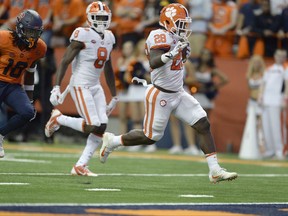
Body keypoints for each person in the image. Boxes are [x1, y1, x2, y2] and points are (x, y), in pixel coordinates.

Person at [99, 3, 238, 183]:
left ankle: (215, 170)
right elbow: (154, 62)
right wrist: (173, 53)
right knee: (151, 137)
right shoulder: (158, 35)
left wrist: (181, 54)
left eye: (185, 23)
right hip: (160, 94)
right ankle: (113, 141)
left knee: (203, 124)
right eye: (180, 23)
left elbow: (177, 65)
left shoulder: (178, 39)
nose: (184, 27)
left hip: (178, 93)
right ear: (168, 21)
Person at [45, 1, 118, 176]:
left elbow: (108, 68)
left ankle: (80, 165)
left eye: (104, 17)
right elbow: (65, 61)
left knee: (101, 126)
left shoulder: (109, 37)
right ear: (89, 18)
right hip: (80, 84)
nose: (101, 21)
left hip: (95, 86)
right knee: (93, 124)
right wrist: (56, 87)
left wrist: (114, 96)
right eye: (98, 17)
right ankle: (59, 119)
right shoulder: (82, 34)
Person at [0, 9, 47, 157]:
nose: (32, 37)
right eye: (29, 32)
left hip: (12, 86)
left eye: (35, 33)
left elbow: (31, 72)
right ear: (20, 28)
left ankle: (0, 137)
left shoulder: (39, 47)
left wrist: (30, 98)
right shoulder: (3, 38)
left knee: (28, 112)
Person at [258, 49, 288, 160]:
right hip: (266, 101)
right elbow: (263, 83)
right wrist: (260, 96)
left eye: (283, 56)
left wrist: (285, 98)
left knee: (277, 127)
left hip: (277, 101)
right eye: (278, 55)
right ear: (275, 56)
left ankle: (280, 151)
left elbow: (287, 84)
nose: (280, 57)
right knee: (266, 126)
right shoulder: (269, 69)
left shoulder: (285, 68)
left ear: (285, 57)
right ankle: (270, 150)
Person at [239, 55, 266, 159]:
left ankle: (262, 148)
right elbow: (249, 90)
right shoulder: (248, 75)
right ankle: (253, 147)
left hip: (260, 102)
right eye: (254, 62)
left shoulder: (264, 74)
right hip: (252, 102)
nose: (256, 64)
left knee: (261, 125)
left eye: (258, 62)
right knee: (251, 124)